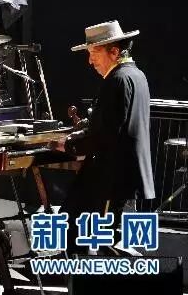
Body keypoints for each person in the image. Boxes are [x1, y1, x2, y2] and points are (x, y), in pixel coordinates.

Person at [53, 20, 155, 255]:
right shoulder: (137, 75)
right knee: (82, 230)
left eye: (94, 53)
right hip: (125, 176)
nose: (90, 61)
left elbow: (105, 134)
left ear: (114, 52)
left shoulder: (117, 80)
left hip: (112, 179)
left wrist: (68, 145)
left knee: (98, 240)